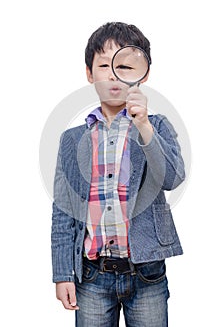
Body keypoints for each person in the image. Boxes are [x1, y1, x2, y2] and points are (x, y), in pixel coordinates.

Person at [51, 22, 185, 327]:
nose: (113, 74)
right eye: (103, 65)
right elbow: (63, 211)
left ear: (143, 73)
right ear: (89, 74)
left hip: (147, 273)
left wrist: (144, 128)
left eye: (124, 66)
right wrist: (62, 274)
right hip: (91, 277)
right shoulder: (72, 140)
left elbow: (173, 178)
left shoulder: (157, 126)